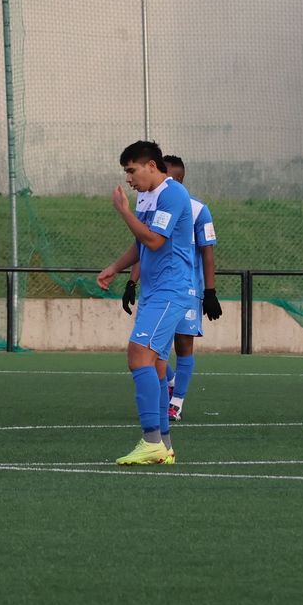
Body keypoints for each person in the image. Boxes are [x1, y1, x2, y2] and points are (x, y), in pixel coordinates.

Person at [96, 140, 196, 467]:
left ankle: (150, 439)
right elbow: (142, 243)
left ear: (151, 166)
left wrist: (124, 211)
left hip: (171, 290)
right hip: (154, 290)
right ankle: (164, 447)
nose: (128, 178)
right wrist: (115, 267)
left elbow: (155, 240)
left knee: (138, 353)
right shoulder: (146, 197)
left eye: (131, 170)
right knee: (154, 364)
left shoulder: (173, 194)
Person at [123, 155, 221, 422]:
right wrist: (132, 281)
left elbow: (208, 253)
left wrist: (210, 292)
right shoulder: (151, 203)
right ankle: (165, 405)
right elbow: (144, 246)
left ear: (177, 180)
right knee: (153, 350)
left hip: (186, 289)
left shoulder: (198, 210)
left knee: (183, 344)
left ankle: (175, 402)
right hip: (158, 288)